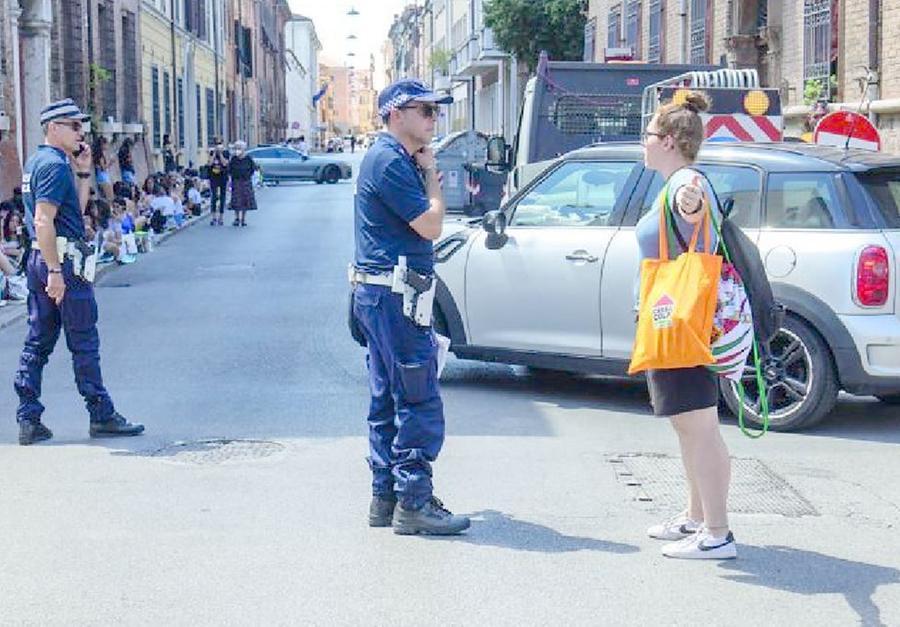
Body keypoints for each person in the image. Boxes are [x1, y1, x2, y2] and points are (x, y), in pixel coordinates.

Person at [350, 78, 469, 535]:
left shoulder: (387, 158)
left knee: (387, 397)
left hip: (381, 293)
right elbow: (431, 225)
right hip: (397, 295)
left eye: (435, 112)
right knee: (417, 397)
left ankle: (386, 498)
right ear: (396, 114)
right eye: (425, 111)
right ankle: (414, 501)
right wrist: (433, 176)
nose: (433, 119)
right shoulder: (391, 161)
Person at [635, 91, 735, 559]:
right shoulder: (678, 180)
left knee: (699, 426)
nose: (644, 143)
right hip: (675, 319)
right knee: (688, 425)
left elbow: (694, 216)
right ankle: (697, 518)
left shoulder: (685, 185)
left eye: (649, 135)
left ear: (670, 140)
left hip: (682, 321)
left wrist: (693, 206)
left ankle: (717, 533)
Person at [14, 98, 144, 445]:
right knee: (83, 341)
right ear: (53, 128)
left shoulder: (40, 162)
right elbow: (44, 220)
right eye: (74, 126)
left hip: (43, 258)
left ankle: (29, 417)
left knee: (38, 340)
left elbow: (73, 213)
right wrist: (56, 271)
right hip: (62, 263)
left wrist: (84, 172)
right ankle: (101, 414)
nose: (81, 133)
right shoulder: (54, 166)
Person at [227, 141, 257, 227]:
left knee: (245, 201)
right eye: (236, 148)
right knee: (236, 201)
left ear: (244, 149)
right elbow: (230, 169)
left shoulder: (248, 158)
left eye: (239, 148)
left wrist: (248, 176)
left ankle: (243, 219)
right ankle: (236, 218)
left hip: (246, 181)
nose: (238, 150)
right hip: (236, 181)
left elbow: (253, 168)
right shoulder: (234, 159)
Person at [208, 138, 230, 226]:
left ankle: (221, 217)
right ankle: (213, 217)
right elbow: (209, 163)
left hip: (223, 177)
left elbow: (225, 163)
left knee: (222, 197)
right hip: (213, 177)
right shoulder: (212, 153)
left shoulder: (226, 153)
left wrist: (220, 154)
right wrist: (214, 154)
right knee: (213, 196)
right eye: (216, 144)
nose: (218, 146)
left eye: (220, 144)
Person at [92, 135, 113, 200]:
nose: (107, 146)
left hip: (102, 176)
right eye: (106, 144)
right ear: (102, 144)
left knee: (106, 197)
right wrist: (110, 163)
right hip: (103, 177)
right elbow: (103, 168)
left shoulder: (99, 154)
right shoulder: (100, 155)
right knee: (110, 198)